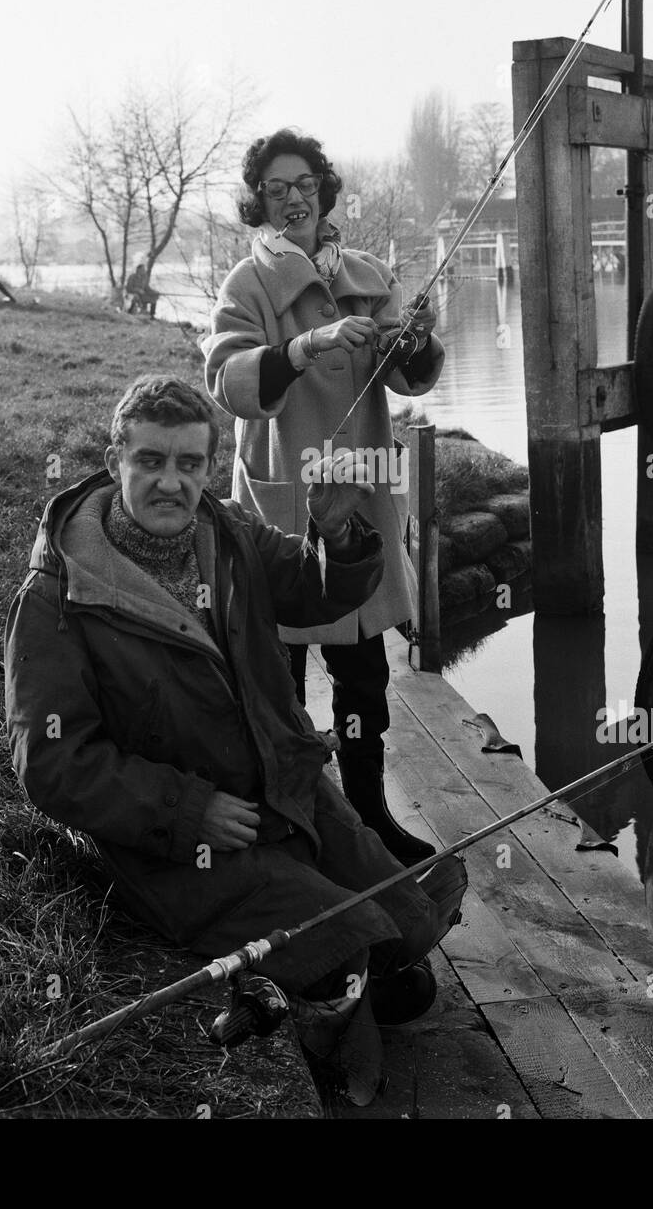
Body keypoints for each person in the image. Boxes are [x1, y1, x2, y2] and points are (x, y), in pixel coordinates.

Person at [4, 375, 465, 1094]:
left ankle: (346, 970)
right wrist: (187, 812)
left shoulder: (228, 534)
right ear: (113, 457)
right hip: (181, 837)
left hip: (286, 790)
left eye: (189, 465)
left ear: (209, 469)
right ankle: (324, 1013)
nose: (170, 483)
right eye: (150, 461)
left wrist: (338, 534)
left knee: (408, 934)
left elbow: (316, 590)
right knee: (359, 955)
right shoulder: (56, 596)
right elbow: (51, 762)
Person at [203, 129, 444, 864]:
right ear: (259, 202)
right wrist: (304, 347)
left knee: (364, 675)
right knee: (281, 680)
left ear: (323, 188)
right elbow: (228, 381)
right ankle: (301, 822)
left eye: (304, 181)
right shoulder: (248, 285)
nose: (294, 197)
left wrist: (415, 342)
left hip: (361, 499)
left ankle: (369, 815)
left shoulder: (369, 272)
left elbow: (413, 379)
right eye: (276, 187)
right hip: (284, 504)